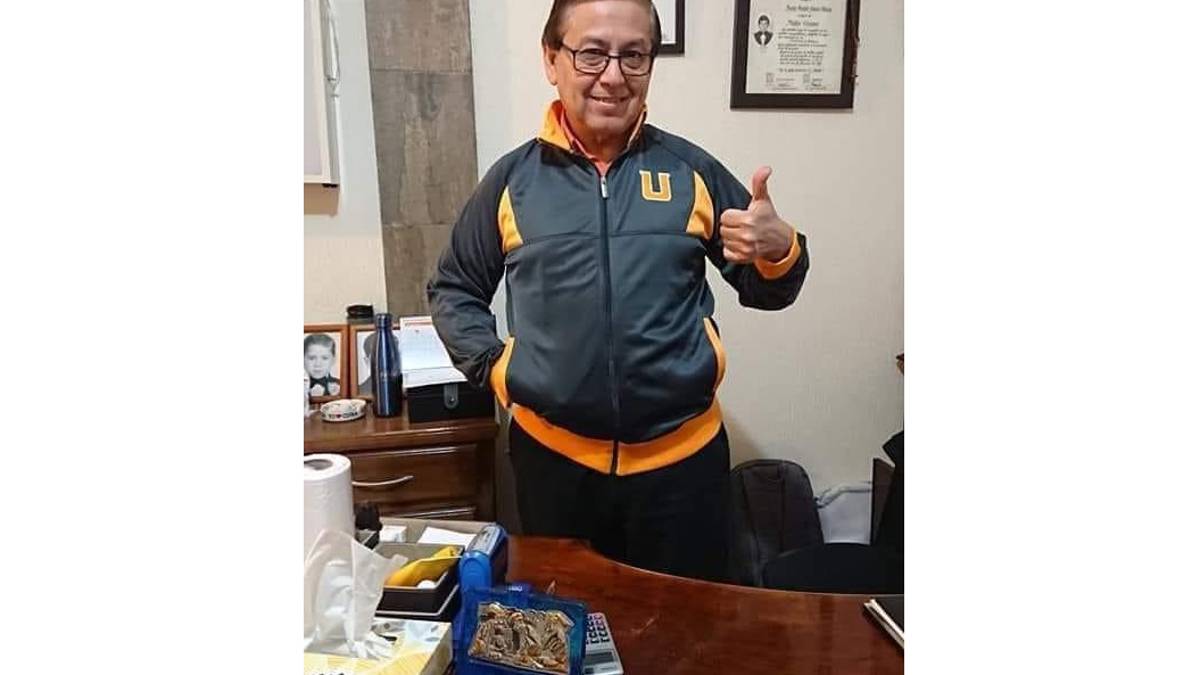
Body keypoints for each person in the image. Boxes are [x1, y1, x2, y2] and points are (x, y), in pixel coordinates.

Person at [427, 0, 808, 582]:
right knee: (565, 622)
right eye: (592, 53)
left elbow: (766, 290)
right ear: (551, 60)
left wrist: (779, 248)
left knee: (685, 628)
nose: (613, 75)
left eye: (634, 55)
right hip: (554, 467)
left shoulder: (690, 171)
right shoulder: (512, 181)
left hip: (684, 469)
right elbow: (454, 287)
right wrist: (499, 369)